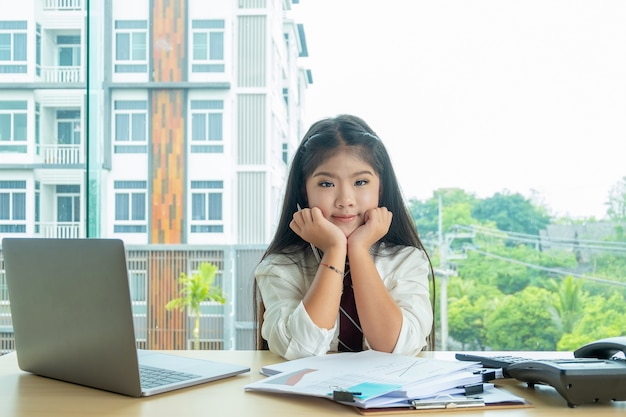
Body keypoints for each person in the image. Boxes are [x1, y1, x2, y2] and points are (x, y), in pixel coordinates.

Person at [254, 114, 435, 360]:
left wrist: (358, 250)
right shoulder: (280, 267)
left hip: (390, 397)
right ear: (303, 191)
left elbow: (396, 349)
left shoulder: (407, 261)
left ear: (380, 189)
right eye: (326, 184)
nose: (345, 200)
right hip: (305, 397)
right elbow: (301, 349)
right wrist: (335, 249)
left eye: (361, 182)